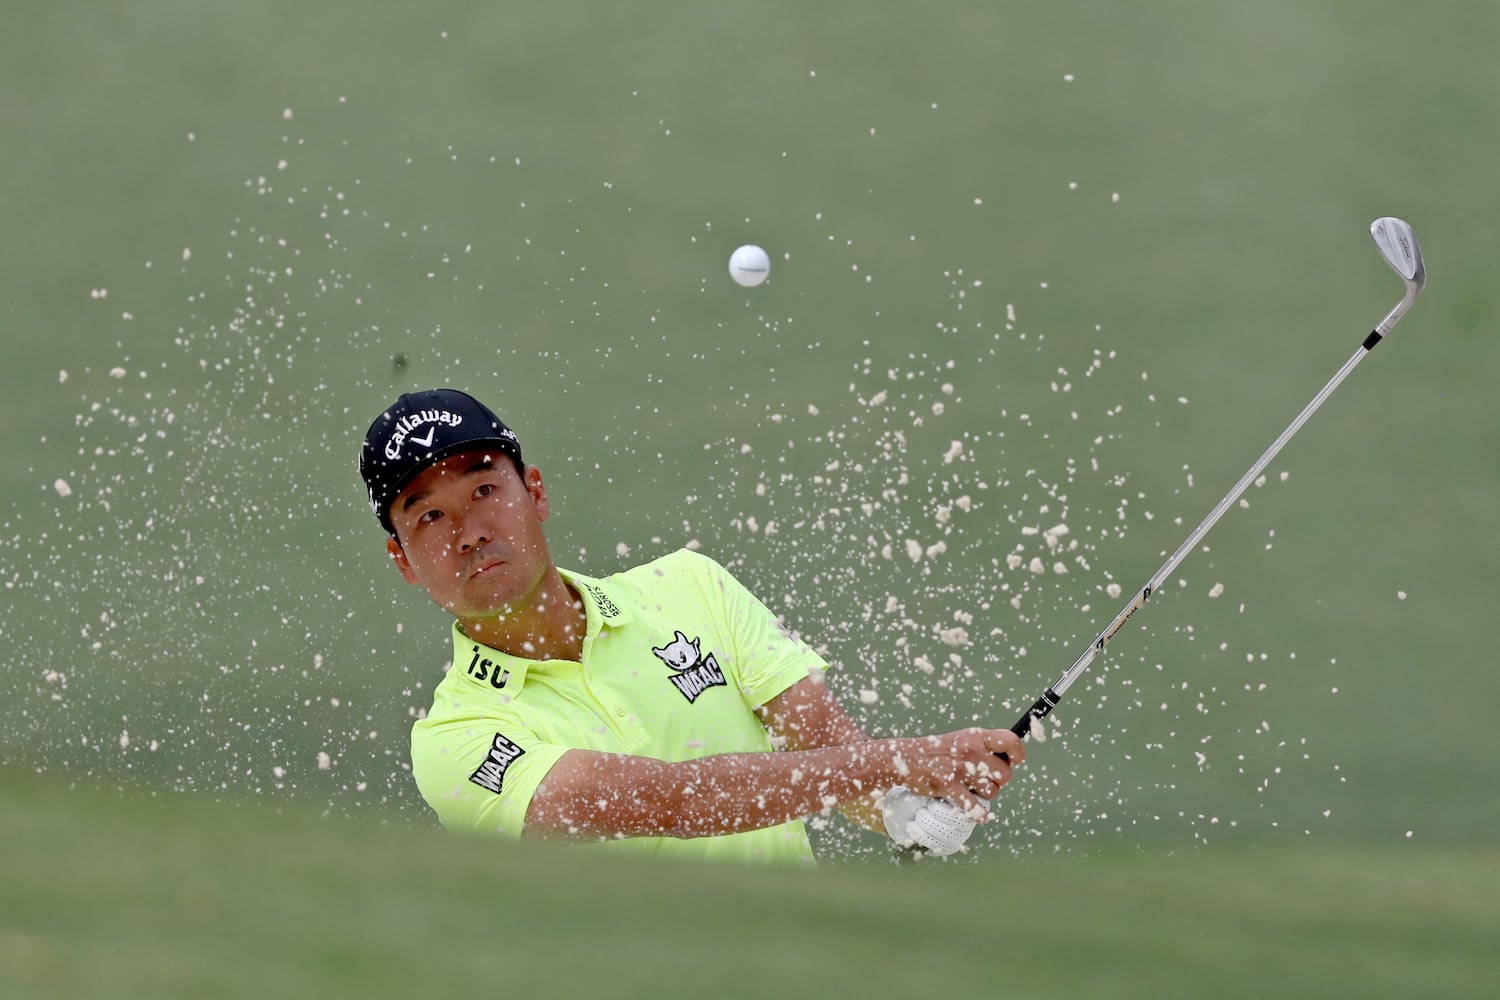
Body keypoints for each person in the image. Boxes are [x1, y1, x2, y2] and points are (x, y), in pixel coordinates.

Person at [360, 388, 1025, 864]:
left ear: (534, 492)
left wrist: (912, 808)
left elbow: (829, 754)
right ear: (403, 561)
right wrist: (900, 760)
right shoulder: (456, 742)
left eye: (483, 491)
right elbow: (672, 802)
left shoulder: (689, 586)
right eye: (430, 517)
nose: (471, 533)